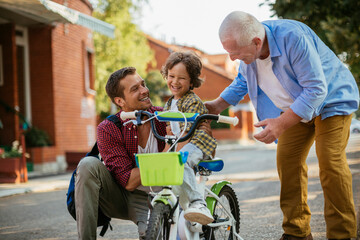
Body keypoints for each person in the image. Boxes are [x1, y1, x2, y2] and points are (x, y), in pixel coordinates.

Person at [205, 11, 359, 240]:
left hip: (330, 104)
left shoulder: (293, 39)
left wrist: (280, 123)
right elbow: (242, 82)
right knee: (288, 162)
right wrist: (216, 106)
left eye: (235, 53)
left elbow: (316, 90)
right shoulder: (250, 50)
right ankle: (297, 233)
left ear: (257, 42)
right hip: (295, 109)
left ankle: (342, 234)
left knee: (329, 161)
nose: (232, 59)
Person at [74, 67, 213, 240]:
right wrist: (164, 154)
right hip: (126, 195)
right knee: (88, 164)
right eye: (135, 89)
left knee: (162, 235)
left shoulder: (165, 116)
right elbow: (129, 182)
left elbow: (195, 152)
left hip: (164, 192)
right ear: (120, 101)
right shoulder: (109, 128)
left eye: (143, 84)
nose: (144, 91)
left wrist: (201, 133)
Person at [161, 51, 216, 226]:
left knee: (179, 160)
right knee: (165, 164)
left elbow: (188, 132)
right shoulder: (169, 103)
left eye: (182, 78)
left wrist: (174, 150)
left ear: (192, 81)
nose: (175, 82)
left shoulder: (192, 101)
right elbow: (171, 132)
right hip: (181, 144)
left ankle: (198, 203)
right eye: (171, 76)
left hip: (197, 144)